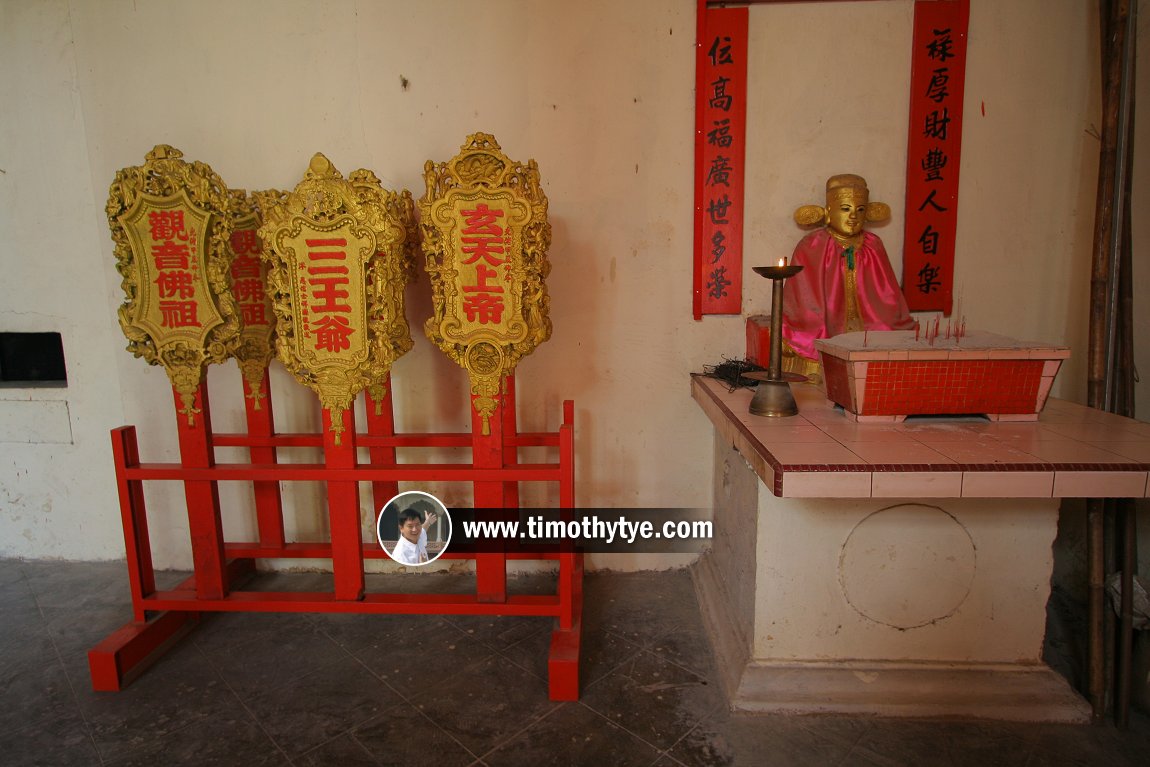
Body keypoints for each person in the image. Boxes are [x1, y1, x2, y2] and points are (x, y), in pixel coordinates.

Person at [781, 174, 916, 381]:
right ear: (828, 212)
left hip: (870, 325)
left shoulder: (873, 244)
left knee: (890, 329)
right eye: (845, 209)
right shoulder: (813, 245)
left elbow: (888, 293)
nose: (853, 216)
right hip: (824, 320)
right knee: (809, 331)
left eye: (860, 210)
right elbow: (802, 296)